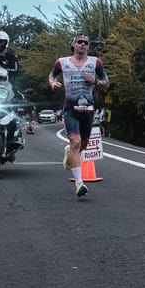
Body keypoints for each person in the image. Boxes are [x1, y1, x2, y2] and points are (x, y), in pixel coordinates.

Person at [48, 34, 109, 197]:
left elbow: (106, 82)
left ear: (88, 46)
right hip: (70, 109)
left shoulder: (95, 62)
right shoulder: (62, 62)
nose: (82, 45)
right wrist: (53, 83)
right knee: (75, 142)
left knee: (83, 145)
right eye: (79, 42)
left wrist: (95, 81)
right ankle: (79, 184)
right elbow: (52, 75)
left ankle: (71, 153)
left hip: (88, 110)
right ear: (73, 44)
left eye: (86, 43)